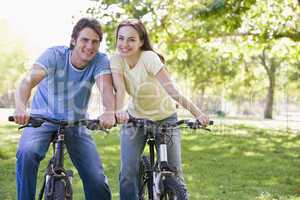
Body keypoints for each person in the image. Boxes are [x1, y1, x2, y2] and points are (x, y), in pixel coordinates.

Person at [13, 18, 115, 200]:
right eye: (85, 40)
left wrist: (109, 111)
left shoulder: (100, 60)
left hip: (76, 123)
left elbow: (106, 88)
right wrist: (21, 106)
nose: (89, 46)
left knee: (97, 179)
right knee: (26, 153)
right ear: (74, 40)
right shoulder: (54, 55)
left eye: (95, 42)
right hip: (41, 120)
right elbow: (27, 82)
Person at [110, 19, 209, 199]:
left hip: (165, 118)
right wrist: (118, 111)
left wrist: (199, 114)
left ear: (141, 41)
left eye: (131, 39)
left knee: (174, 171)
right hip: (135, 119)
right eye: (121, 38)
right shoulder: (116, 60)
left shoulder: (148, 58)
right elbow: (121, 90)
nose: (124, 44)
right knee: (127, 172)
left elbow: (173, 91)